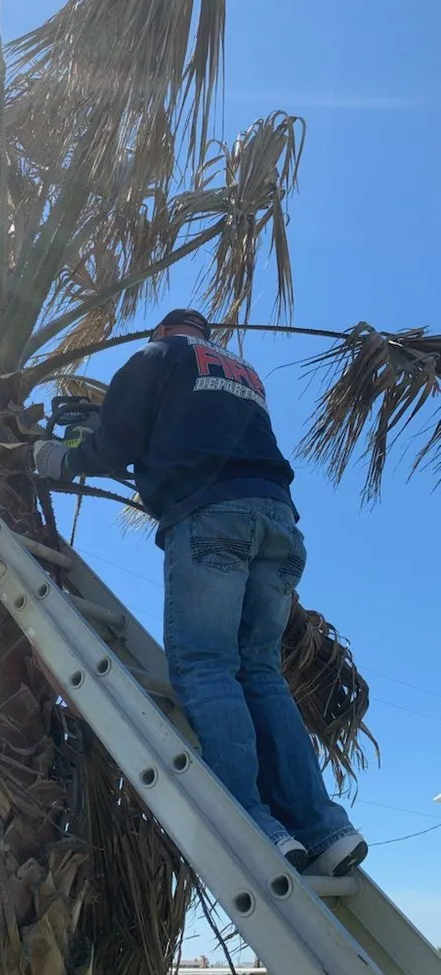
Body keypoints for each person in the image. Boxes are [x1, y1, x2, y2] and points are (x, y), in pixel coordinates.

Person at [33, 308, 367, 877]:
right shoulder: (245, 377)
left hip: (212, 518)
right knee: (259, 670)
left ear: (161, 332)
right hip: (279, 520)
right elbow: (190, 442)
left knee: (207, 666)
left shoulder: (157, 357)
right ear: (206, 336)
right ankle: (324, 828)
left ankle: (252, 822)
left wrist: (60, 457)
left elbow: (114, 449)